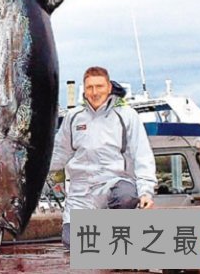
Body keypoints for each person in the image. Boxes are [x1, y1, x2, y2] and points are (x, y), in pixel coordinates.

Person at [50, 66, 157, 249]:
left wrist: (146, 191)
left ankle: (121, 241)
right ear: (84, 90)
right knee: (73, 244)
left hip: (114, 184)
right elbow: (59, 154)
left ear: (109, 87)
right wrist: (30, 170)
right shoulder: (73, 117)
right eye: (90, 87)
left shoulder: (127, 116)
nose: (94, 92)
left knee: (126, 197)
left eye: (99, 86)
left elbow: (142, 155)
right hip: (81, 193)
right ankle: (116, 241)